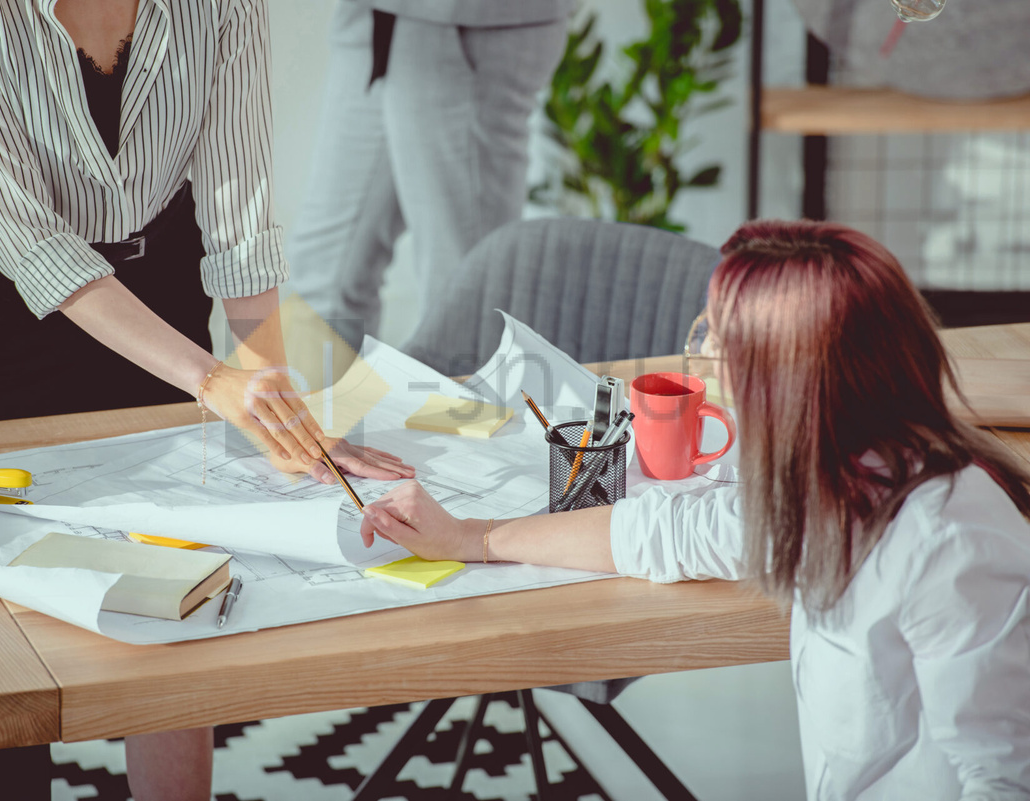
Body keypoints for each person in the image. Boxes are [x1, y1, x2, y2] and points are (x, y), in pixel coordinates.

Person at [0, 1, 413, 798]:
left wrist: (273, 402)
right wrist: (215, 381)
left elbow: (238, 216)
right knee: (1, 630)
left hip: (165, 306)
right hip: (5, 322)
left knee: (178, 598)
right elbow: (32, 242)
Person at [359, 220, 1030, 799]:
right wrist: (472, 535)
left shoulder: (952, 543)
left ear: (789, 374)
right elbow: (661, 531)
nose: (706, 350)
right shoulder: (828, 480)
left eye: (722, 335)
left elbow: (1004, 780)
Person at [285, 0, 574, 352]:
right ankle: (321, 407)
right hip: (375, 15)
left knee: (460, 301)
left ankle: (469, 407)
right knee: (325, 274)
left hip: (470, 20)